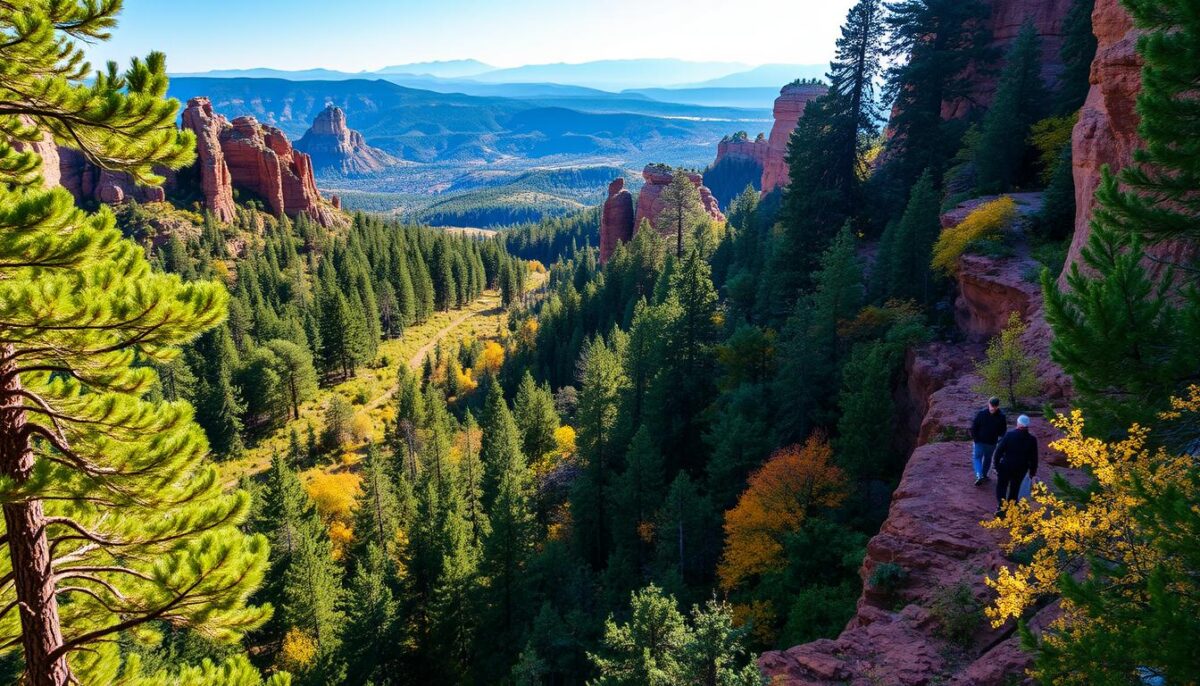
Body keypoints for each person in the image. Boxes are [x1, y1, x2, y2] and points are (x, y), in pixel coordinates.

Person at [991, 414, 1038, 518]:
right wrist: (1032, 473)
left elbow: (998, 451)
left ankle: (1001, 507)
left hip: (1006, 466)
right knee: (1014, 488)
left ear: (1018, 423)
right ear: (1027, 425)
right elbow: (1034, 458)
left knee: (1001, 486)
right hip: (1021, 468)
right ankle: (1011, 509)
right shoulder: (1032, 440)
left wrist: (996, 466)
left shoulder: (1009, 435)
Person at [969, 396, 1007, 486]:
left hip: (983, 441)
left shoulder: (982, 413)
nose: (993, 407)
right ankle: (983, 475)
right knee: (987, 458)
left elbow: (974, 427)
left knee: (978, 458)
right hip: (989, 442)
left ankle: (979, 475)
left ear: (989, 404)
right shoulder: (1001, 416)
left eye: (993, 406)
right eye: (993, 406)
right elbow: (1003, 431)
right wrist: (999, 439)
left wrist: (975, 439)